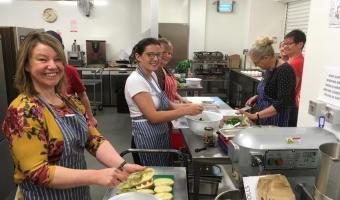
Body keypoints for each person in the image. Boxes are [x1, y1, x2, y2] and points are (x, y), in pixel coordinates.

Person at [1, 31, 143, 199]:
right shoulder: (23, 111)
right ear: (26, 65)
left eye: (58, 59)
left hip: (77, 192)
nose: (53, 66)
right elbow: (37, 171)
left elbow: (93, 139)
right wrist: (96, 176)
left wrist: (122, 165)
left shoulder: (70, 102)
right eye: (42, 59)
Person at [125, 38, 203, 166]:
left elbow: (167, 104)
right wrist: (186, 110)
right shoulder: (136, 80)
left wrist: (190, 106)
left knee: (164, 171)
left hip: (159, 134)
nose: (155, 59)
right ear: (138, 56)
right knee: (153, 177)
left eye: (158, 55)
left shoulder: (152, 75)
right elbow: (153, 117)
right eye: (150, 54)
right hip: (147, 138)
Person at [238, 36, 297, 127]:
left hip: (279, 120)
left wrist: (255, 116)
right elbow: (272, 90)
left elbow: (282, 103)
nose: (257, 66)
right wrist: (257, 97)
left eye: (257, 63)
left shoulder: (285, 71)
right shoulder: (269, 69)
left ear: (266, 57)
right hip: (266, 118)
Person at [46, 30, 97, 127]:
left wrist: (90, 118)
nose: (51, 66)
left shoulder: (70, 98)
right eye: (43, 59)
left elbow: (83, 96)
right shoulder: (28, 109)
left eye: (56, 58)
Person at [155, 38, 188, 103]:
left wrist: (180, 98)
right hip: (162, 110)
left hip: (169, 108)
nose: (168, 55)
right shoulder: (153, 72)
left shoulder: (164, 69)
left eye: (170, 53)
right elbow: (158, 97)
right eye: (164, 52)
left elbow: (171, 90)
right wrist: (176, 106)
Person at [282, 29, 306, 108]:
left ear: (300, 44)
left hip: (288, 105)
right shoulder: (290, 61)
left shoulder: (297, 63)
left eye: (289, 44)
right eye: (284, 44)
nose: (285, 46)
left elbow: (289, 89)